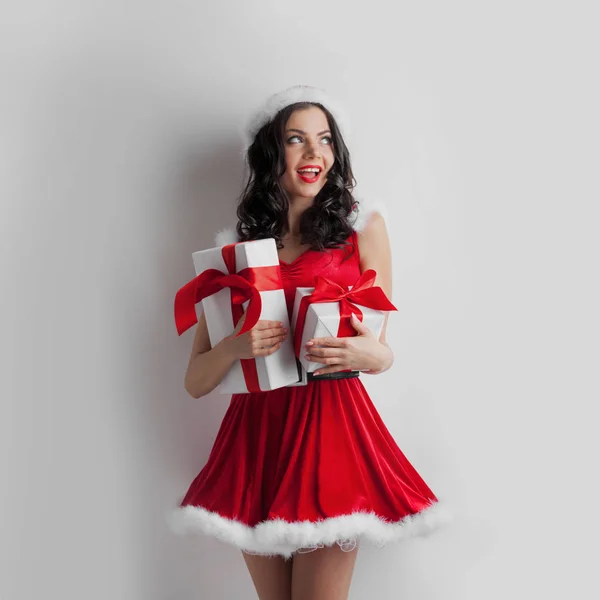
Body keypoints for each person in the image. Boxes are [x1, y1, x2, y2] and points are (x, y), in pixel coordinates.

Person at [168, 85, 452, 600]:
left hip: (332, 429)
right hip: (257, 437)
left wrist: (377, 356)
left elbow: (379, 345)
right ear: (272, 155)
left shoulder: (363, 229)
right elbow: (195, 381)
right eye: (297, 140)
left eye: (324, 140)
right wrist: (237, 346)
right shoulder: (236, 253)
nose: (314, 153)